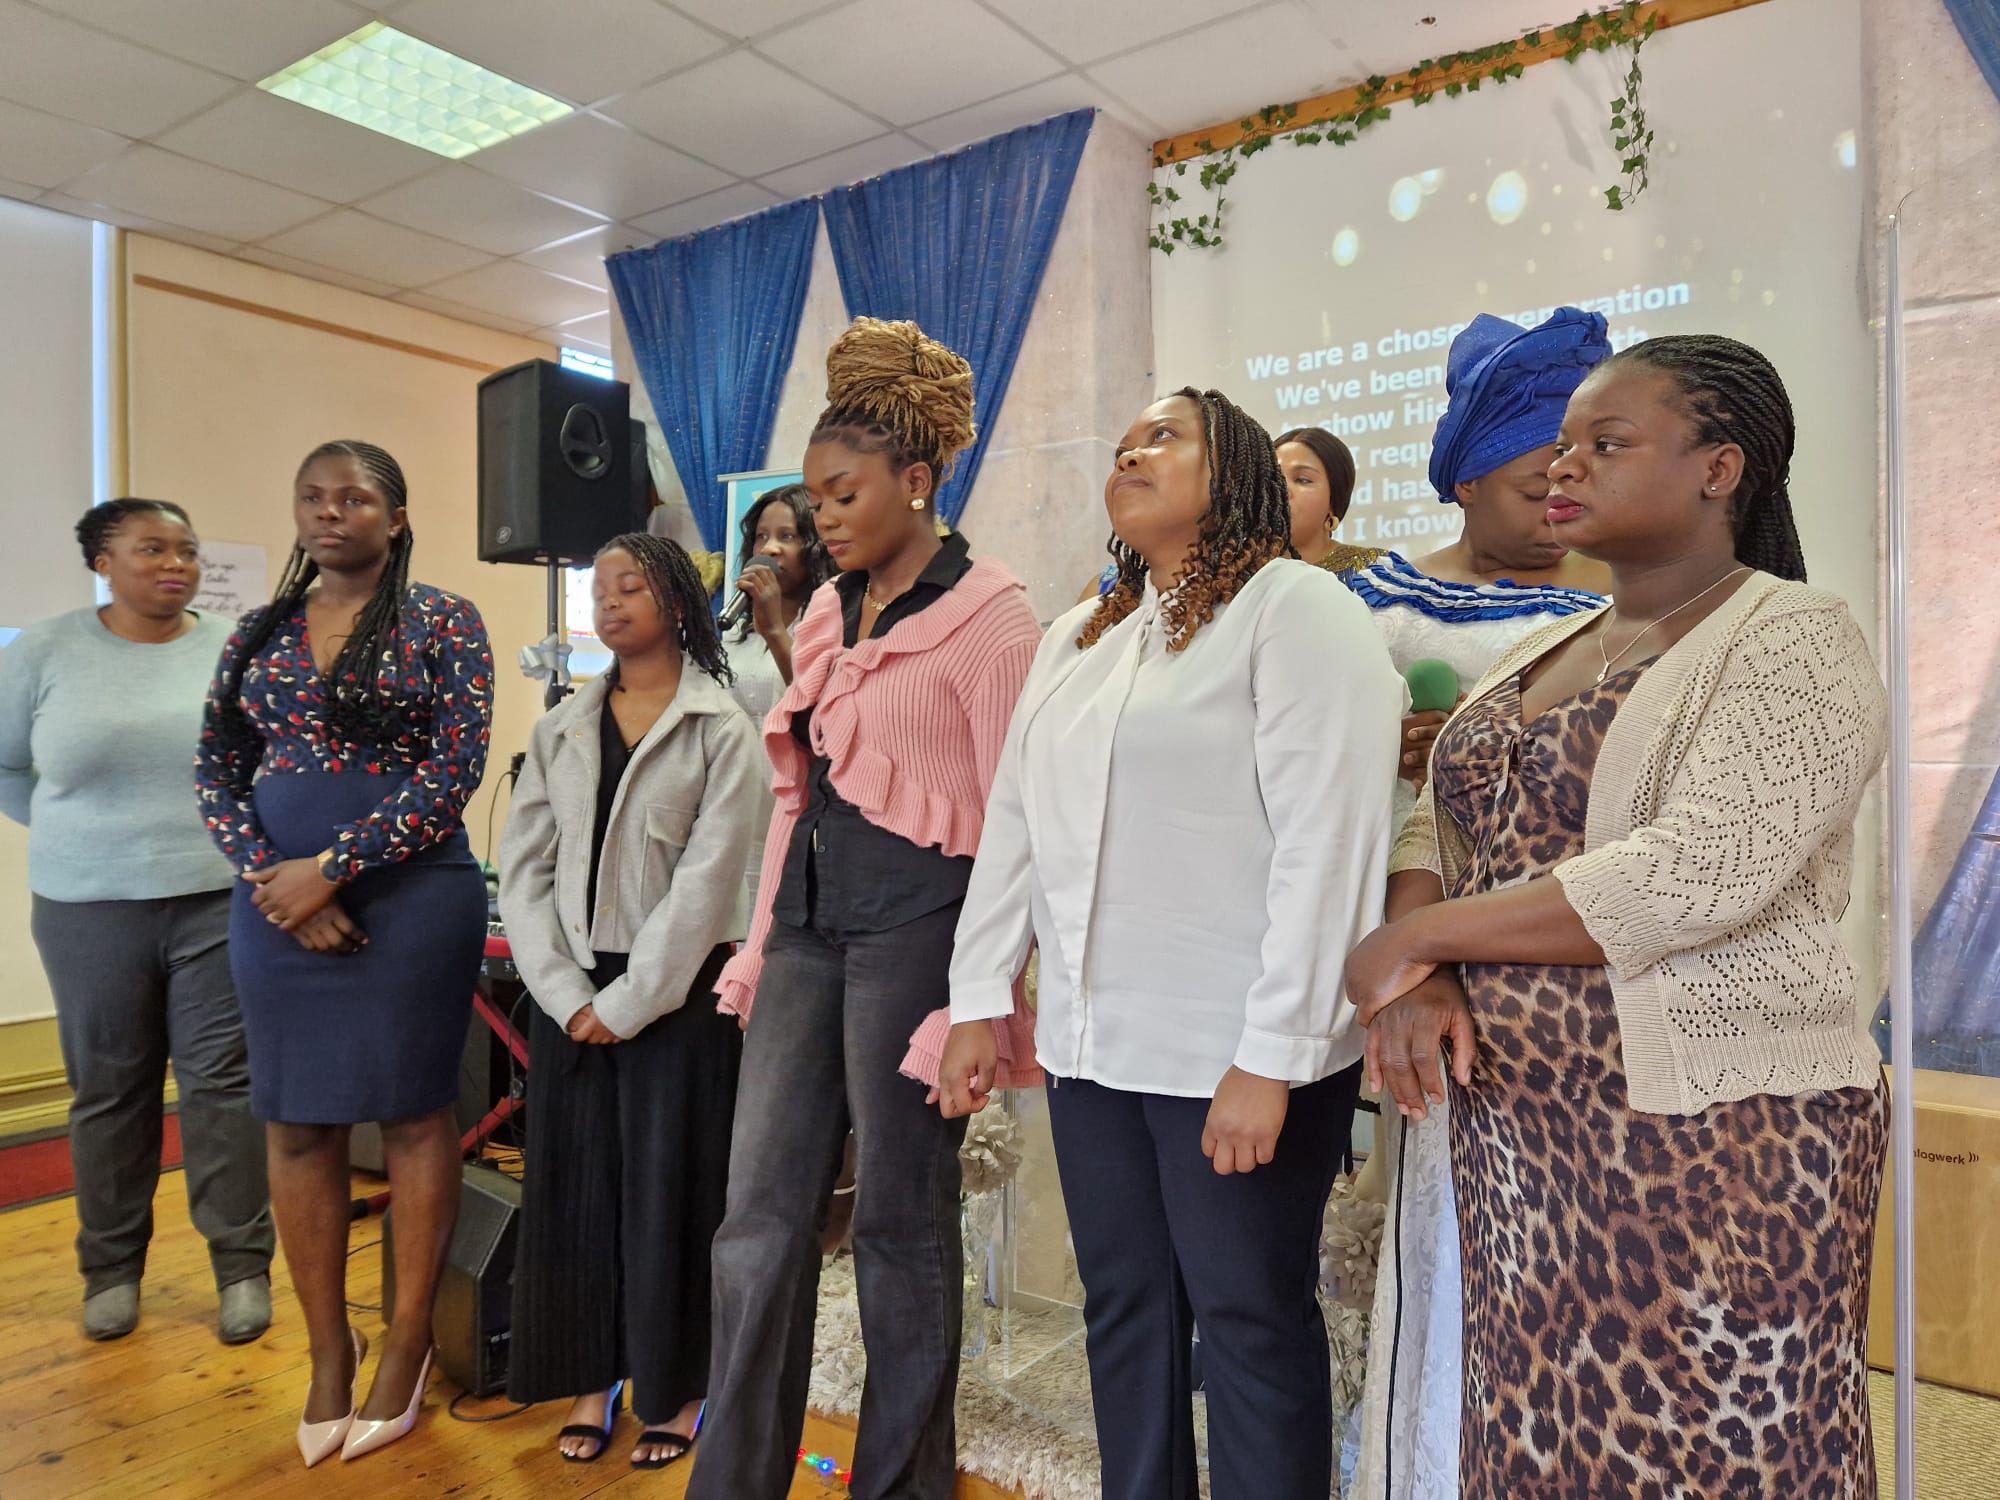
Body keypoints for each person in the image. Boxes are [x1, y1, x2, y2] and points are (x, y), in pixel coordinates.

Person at [1346, 335, 1888, 1498]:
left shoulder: (1795, 636)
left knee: (1713, 1455)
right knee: (1534, 1443)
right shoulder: (1547, 641)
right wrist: (1420, 978)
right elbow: (1436, 826)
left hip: (1707, 1144)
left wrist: (1420, 939)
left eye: (1605, 442)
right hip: (1516, 1134)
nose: (1563, 465)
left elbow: (1695, 872)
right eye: (1560, 445)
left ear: (1717, 469)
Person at [932, 387, 1403, 1500]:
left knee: (1246, 1318)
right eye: (1124, 442)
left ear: (1231, 470)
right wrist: (976, 993)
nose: (1131, 452)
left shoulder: (1296, 608)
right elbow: (1016, 819)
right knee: (1125, 1308)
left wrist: (1272, 1055)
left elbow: (1329, 845)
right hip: (1093, 1043)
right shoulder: (1079, 636)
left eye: (1165, 437)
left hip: (1234, 1046)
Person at [687, 319, 1041, 1500]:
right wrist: (757, 943)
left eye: (843, 494)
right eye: (814, 497)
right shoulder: (827, 611)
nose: (823, 518)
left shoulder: (992, 616)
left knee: (897, 1223)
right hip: (806, 928)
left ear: (917, 481)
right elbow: (800, 794)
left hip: (917, 934)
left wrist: (977, 999)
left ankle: (899, 1488)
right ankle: (731, 1483)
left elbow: (1014, 825)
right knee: (756, 1222)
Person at [1345, 310, 1613, 1500]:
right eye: (1529, 480)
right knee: (1441, 1248)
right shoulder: (1375, 603)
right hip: (1411, 955)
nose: (1556, 500)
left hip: (1568, 975)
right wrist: (1388, 749)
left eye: (1575, 473)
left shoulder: (1610, 607)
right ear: (1463, 478)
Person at [196, 441, 493, 1468]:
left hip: (412, 898)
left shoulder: (443, 620)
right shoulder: (258, 630)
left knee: (414, 1116)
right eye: (313, 497)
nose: (330, 512)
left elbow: (455, 768)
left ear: (396, 518)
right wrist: (272, 879)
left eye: (355, 498)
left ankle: (406, 1343)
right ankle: (331, 1347)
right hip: (275, 907)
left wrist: (333, 866)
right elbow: (216, 767)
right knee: (295, 1123)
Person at [500, 533, 758, 1470]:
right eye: (598, 588)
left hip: (677, 1000)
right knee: (576, 1190)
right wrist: (565, 992)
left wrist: (631, 1000)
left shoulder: (720, 726)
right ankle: (590, 1377)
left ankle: (678, 1388)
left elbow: (710, 884)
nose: (608, 602)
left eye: (631, 586)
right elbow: (525, 869)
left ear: (679, 601)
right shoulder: (562, 725)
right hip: (571, 993)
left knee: (671, 1192)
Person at [0, 500, 273, 1345]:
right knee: (111, 1091)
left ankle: (242, 1267)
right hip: (87, 909)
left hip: (216, 899)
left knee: (222, 1088)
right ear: (102, 562)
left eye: (186, 550)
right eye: (151, 549)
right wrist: (78, 836)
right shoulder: (43, 650)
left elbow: (269, 759)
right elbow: (7, 766)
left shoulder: (235, 647)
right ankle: (111, 1270)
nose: (175, 564)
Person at [1273, 425, 1386, 574]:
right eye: (1273, 478)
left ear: (1333, 501)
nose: (1282, 490)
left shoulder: (1372, 571)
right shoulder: (1242, 575)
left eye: (1302, 480)